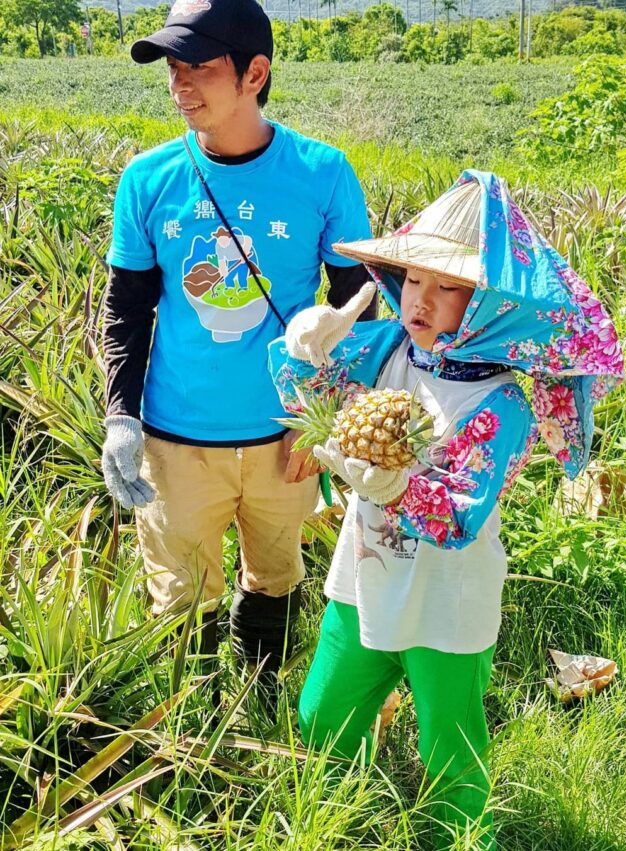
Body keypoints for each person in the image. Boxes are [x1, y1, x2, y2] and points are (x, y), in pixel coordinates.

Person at [269, 171, 624, 848]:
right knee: (322, 719)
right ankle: (336, 825)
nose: (420, 301)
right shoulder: (385, 350)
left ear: (488, 302)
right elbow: (305, 398)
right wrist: (304, 346)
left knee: (449, 756)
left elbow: (458, 514)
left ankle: (460, 841)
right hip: (361, 579)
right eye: (414, 280)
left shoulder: (502, 404)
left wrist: (395, 488)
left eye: (447, 286)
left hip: (446, 603)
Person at [100, 0, 375, 711]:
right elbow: (126, 309)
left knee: (275, 579)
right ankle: (190, 728)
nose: (180, 84)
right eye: (173, 66)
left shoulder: (322, 173)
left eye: (201, 67)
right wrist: (120, 418)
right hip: (175, 440)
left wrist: (325, 419)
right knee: (180, 601)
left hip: (284, 439)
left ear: (256, 73)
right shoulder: (148, 179)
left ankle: (260, 706)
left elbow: (360, 304)